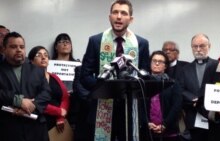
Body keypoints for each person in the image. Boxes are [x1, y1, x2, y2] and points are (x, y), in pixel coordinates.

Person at [79, 0, 150, 141]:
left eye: (124, 13)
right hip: (102, 105)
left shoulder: (141, 43)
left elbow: (145, 76)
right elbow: (85, 76)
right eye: (115, 12)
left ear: (131, 19)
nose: (119, 16)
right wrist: (105, 88)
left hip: (130, 107)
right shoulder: (96, 41)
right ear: (109, 16)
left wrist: (129, 87)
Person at [0, 32, 51, 141]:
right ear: (4, 49)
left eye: (22, 47)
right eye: (13, 47)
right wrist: (17, 101)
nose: (19, 50)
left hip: (36, 129)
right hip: (9, 130)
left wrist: (33, 105)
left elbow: (46, 93)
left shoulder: (37, 70)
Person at [179, 33, 218, 141]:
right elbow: (181, 90)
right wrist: (194, 99)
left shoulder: (219, 66)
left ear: (209, 46)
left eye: (202, 46)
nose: (198, 49)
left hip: (214, 117)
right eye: (195, 46)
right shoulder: (185, 69)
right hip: (193, 117)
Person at [140, 50, 182, 141]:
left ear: (165, 66)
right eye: (154, 61)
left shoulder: (173, 83)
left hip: (169, 132)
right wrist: (146, 122)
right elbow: (139, 106)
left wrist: (165, 124)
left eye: (160, 61)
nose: (157, 64)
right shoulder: (142, 83)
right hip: (147, 132)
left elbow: (176, 106)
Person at [28, 46, 70, 135]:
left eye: (46, 55)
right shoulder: (27, 79)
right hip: (37, 122)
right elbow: (33, 102)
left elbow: (65, 98)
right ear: (31, 61)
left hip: (58, 124)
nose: (43, 57)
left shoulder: (54, 77)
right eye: (38, 55)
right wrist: (59, 112)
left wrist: (60, 118)